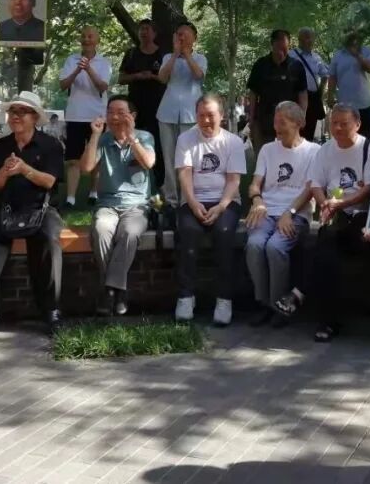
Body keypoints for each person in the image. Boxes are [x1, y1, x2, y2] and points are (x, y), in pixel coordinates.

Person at [275, 102, 370, 342]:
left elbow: (369, 188)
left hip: (361, 216)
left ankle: (299, 294)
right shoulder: (325, 151)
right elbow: (316, 185)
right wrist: (325, 204)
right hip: (334, 214)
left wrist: (340, 204)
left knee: (326, 248)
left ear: (358, 124)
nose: (338, 128)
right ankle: (326, 321)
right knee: (327, 255)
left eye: (344, 124)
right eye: (334, 123)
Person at [0, 91, 65, 335]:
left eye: (23, 112)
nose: (16, 116)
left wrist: (24, 169)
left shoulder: (50, 145)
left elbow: (49, 181)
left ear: (35, 117)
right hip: (7, 206)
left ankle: (51, 309)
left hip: (41, 207)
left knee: (49, 240)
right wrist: (4, 172)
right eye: (13, 111)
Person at [173, 93, 247, 326]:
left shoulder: (233, 142)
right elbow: (184, 174)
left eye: (211, 115)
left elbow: (234, 180)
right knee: (188, 232)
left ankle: (224, 299)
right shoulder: (185, 139)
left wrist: (221, 206)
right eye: (201, 115)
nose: (206, 121)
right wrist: (192, 202)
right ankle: (186, 296)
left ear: (222, 116)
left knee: (224, 233)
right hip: (193, 199)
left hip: (226, 201)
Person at [245, 101, 319, 327]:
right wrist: (257, 201)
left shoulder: (313, 151)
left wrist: (290, 212)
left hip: (297, 213)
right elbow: (255, 184)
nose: (277, 127)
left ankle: (279, 306)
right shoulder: (268, 150)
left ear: (298, 123)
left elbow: (310, 190)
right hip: (267, 211)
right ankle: (263, 303)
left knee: (275, 247)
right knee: (255, 245)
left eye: (282, 122)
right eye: (275, 122)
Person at [80, 95, 156, 316]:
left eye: (121, 112)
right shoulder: (103, 139)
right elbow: (85, 169)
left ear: (133, 116)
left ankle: (109, 290)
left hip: (137, 205)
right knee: (101, 229)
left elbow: (148, 163)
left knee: (130, 233)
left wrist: (131, 138)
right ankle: (117, 290)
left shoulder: (145, 137)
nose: (114, 117)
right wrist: (95, 135)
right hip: (107, 204)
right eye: (110, 112)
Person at [58, 27, 112, 210]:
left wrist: (88, 69)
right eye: (83, 36)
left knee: (96, 157)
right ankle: (70, 198)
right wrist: (76, 70)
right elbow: (63, 85)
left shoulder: (104, 63)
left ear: (97, 40)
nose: (86, 39)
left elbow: (102, 86)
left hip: (97, 115)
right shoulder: (71, 60)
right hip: (75, 114)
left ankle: (93, 193)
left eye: (90, 36)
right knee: (73, 158)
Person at [156, 22, 206, 211]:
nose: (181, 37)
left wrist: (186, 55)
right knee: (169, 157)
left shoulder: (200, 58)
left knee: (188, 157)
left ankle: (187, 198)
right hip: (167, 112)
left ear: (194, 38)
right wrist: (175, 55)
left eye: (185, 34)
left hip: (190, 113)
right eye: (178, 34)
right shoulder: (168, 57)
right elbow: (162, 78)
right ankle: (171, 199)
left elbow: (199, 76)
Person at [118, 19, 168, 186]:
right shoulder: (131, 54)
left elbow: (169, 79)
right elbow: (121, 78)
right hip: (135, 106)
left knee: (158, 144)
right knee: (132, 140)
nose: (143, 32)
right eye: (141, 29)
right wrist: (138, 76)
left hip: (158, 106)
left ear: (154, 33)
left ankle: (159, 183)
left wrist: (152, 76)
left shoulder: (163, 55)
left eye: (147, 29)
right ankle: (132, 181)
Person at [246, 29, 308, 154]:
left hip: (290, 121)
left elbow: (302, 94)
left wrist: (302, 116)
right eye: (279, 48)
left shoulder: (297, 66)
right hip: (265, 120)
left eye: (285, 48)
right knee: (264, 155)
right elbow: (253, 94)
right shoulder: (260, 65)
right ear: (272, 44)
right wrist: (251, 119)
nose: (282, 52)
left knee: (289, 154)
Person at [327, 32, 370, 136]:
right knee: (344, 135)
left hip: (364, 104)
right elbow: (332, 77)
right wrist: (330, 96)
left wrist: (357, 55)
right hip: (344, 104)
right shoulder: (338, 55)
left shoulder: (367, 52)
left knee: (364, 137)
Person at [290, 27, 329, 141]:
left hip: (312, 99)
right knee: (295, 130)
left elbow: (325, 75)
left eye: (312, 37)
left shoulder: (317, 58)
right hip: (295, 99)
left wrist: (319, 93)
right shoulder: (291, 55)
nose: (310, 40)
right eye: (307, 37)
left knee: (309, 132)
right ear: (299, 39)